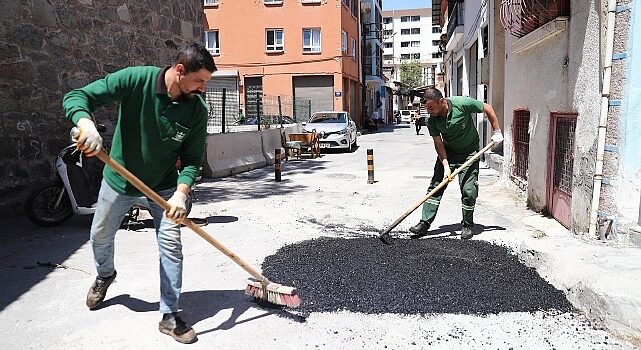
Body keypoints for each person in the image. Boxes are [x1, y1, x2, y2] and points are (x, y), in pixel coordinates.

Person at [63, 43, 216, 344]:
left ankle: (170, 314)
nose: (202, 88)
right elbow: (78, 96)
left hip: (164, 187)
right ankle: (105, 275)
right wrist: (85, 122)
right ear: (180, 70)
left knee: (171, 246)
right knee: (100, 237)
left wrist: (181, 194)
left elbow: (193, 160)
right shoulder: (136, 80)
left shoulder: (196, 110)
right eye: (199, 81)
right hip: (117, 181)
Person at [409, 87, 503, 240]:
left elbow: (487, 108)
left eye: (431, 107)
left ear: (442, 101)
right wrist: (446, 165)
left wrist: (497, 131)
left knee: (469, 190)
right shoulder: (431, 120)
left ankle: (467, 225)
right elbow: (438, 144)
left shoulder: (462, 103)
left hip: (470, 152)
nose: (429, 111)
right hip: (449, 152)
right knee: (435, 187)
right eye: (427, 109)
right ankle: (424, 223)